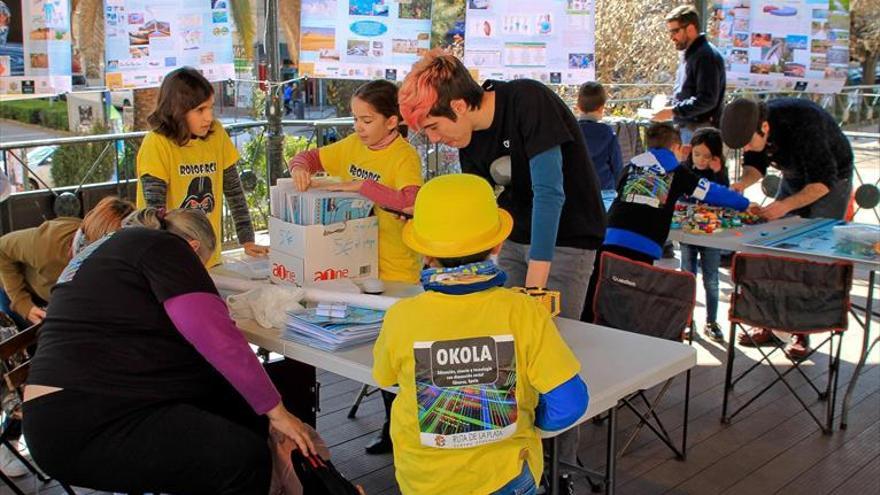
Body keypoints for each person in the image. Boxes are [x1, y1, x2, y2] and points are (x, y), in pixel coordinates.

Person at [22, 207, 319, 494]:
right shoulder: (166, 248)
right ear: (192, 247)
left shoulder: (110, 248)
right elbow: (215, 335)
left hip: (74, 407)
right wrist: (277, 413)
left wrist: (261, 413)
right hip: (83, 420)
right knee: (241, 459)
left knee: (241, 411)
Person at [373, 173, 589, 494]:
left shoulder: (402, 316)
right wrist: (527, 422)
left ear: (426, 253)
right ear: (498, 244)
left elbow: (385, 377)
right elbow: (569, 402)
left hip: (424, 480)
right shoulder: (523, 310)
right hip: (506, 475)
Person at [399, 50, 606, 320]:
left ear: (458, 106)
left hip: (565, 238)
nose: (434, 139)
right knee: (504, 332)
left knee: (548, 332)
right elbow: (475, 210)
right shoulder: (467, 137)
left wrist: (535, 290)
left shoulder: (528, 100)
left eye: (433, 126)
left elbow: (549, 193)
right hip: (514, 237)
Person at [289, 79, 424, 456]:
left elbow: (411, 203)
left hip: (396, 271)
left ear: (392, 121)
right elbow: (310, 158)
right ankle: (390, 425)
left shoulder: (404, 157)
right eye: (355, 119)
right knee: (373, 357)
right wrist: (300, 167)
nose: (358, 127)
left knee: (396, 356)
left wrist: (359, 187)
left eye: (366, 120)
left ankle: (399, 430)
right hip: (352, 268)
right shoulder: (351, 146)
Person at [720, 97, 854, 359]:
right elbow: (755, 164)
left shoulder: (805, 125)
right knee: (775, 249)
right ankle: (771, 323)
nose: (747, 147)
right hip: (795, 176)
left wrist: (783, 206)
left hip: (832, 180)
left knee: (809, 256)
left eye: (748, 142)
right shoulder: (752, 124)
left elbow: (822, 182)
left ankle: (800, 332)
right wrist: (741, 185)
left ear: (765, 127)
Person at [581, 122, 751, 323]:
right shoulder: (677, 172)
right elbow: (710, 192)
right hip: (643, 243)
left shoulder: (631, 167)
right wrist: (743, 203)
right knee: (631, 298)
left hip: (611, 237)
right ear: (676, 148)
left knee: (597, 292)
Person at [136, 66, 268, 267]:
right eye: (200, 110)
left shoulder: (216, 134)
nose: (208, 117)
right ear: (177, 110)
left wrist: (247, 239)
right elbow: (155, 212)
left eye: (211, 107)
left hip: (209, 258)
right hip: (170, 261)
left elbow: (233, 191)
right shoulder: (156, 143)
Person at [0, 196, 135, 328]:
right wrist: (23, 304)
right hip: (21, 293)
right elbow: (2, 249)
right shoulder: (47, 243)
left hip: (60, 300)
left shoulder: (120, 261)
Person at [678, 128, 728, 343]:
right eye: (697, 154)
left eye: (707, 156)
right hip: (688, 232)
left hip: (712, 234)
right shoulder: (685, 170)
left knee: (712, 280)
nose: (700, 160)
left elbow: (725, 196)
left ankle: (712, 321)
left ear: (715, 157)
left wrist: (718, 173)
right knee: (687, 277)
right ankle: (688, 321)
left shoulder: (718, 174)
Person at [652, 5, 726, 146]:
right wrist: (668, 105)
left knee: (693, 168)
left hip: (699, 130)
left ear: (690, 29)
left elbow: (707, 99)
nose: (671, 37)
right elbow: (687, 92)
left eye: (675, 31)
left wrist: (673, 111)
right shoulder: (692, 54)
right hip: (689, 128)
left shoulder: (705, 56)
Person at [576, 81, 624, 191]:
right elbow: (617, 166)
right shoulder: (608, 133)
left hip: (576, 189)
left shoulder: (571, 131)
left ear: (578, 106)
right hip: (604, 189)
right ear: (602, 108)